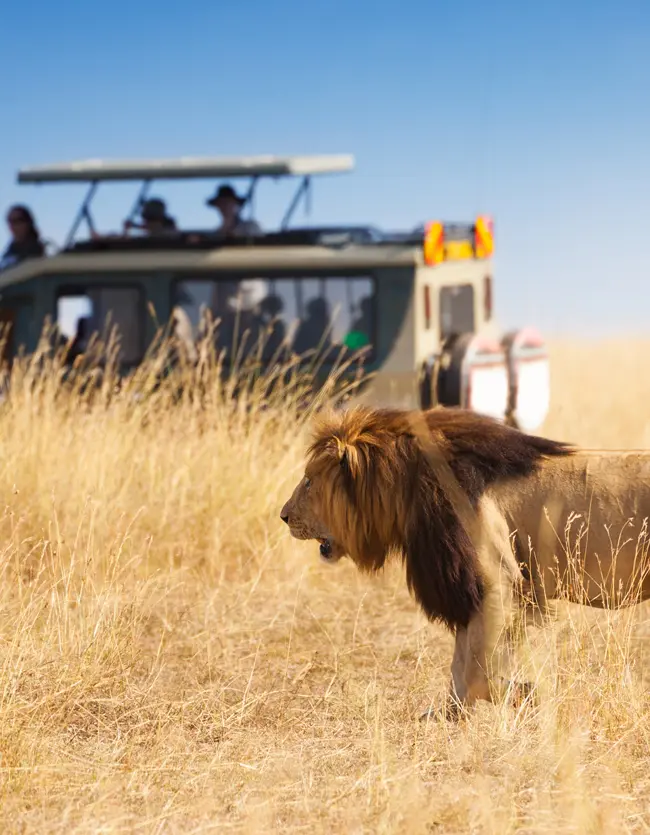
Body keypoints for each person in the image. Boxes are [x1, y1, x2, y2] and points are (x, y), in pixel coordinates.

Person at [1, 205, 45, 270]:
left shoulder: (36, 249)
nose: (13, 226)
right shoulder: (8, 252)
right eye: (10, 221)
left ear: (28, 223)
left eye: (17, 221)